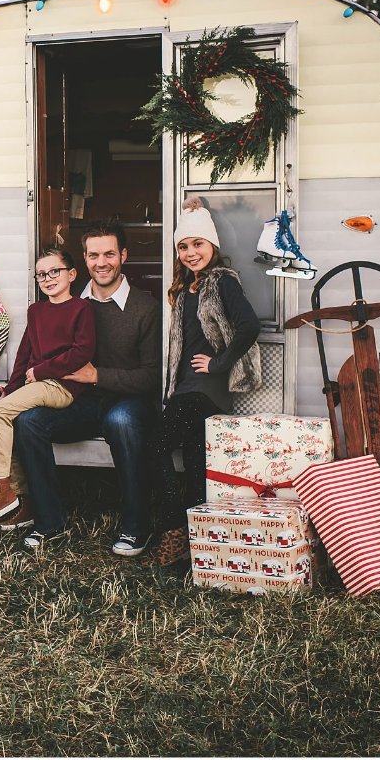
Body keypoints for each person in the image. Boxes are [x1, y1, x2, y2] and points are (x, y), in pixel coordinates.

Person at [11, 220, 161, 551]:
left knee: (120, 421)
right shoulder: (69, 302)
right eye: (94, 255)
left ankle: (137, 527)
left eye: (109, 254)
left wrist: (98, 375)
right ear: (84, 259)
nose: (101, 262)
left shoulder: (146, 308)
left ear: (123, 255)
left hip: (127, 399)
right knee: (29, 421)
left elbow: (151, 376)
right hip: (79, 401)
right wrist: (15, 388)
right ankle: (48, 521)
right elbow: (33, 350)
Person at [141, 198, 261, 566]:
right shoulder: (188, 287)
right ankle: (197, 545)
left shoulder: (222, 281)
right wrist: (199, 207)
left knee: (154, 447)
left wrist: (219, 363)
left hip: (204, 391)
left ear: (213, 245)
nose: (191, 253)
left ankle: (173, 529)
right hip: (187, 389)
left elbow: (249, 326)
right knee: (194, 464)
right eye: (183, 246)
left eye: (198, 244)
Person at [0, 248, 96, 530]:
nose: (48, 278)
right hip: (36, 383)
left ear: (72, 274)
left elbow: (82, 352)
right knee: (8, 418)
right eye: (41, 274)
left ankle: (0, 487)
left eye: (55, 271)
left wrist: (41, 371)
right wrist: (11, 389)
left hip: (63, 387)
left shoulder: (81, 308)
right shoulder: (36, 311)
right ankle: (23, 501)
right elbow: (24, 354)